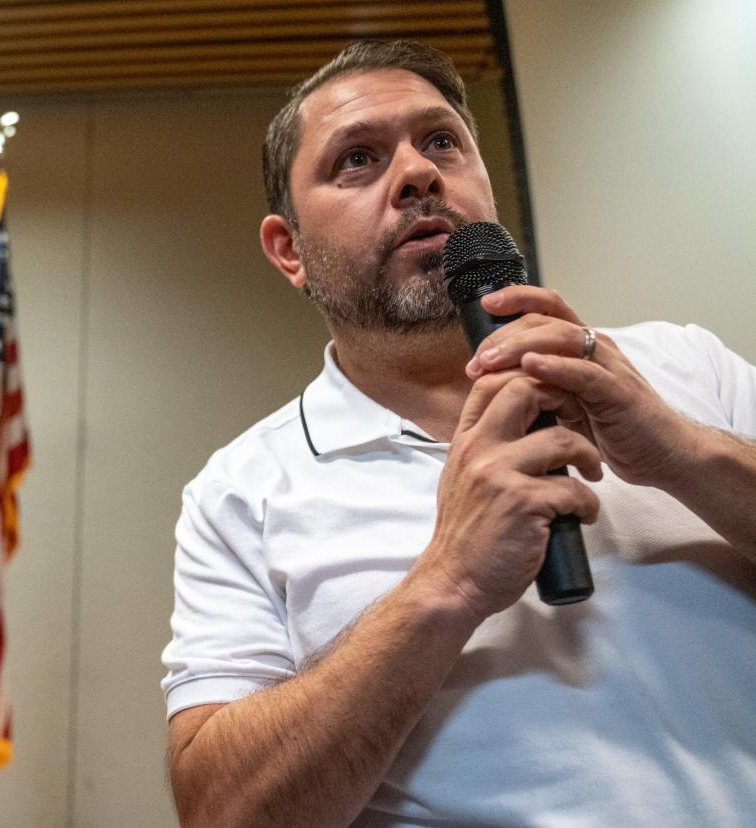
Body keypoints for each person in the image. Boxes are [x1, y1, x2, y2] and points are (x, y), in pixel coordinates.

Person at [161, 40, 756, 826]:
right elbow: (222, 812)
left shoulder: (684, 367)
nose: (417, 173)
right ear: (289, 251)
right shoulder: (239, 493)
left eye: (441, 141)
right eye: (358, 159)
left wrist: (683, 453)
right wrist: (447, 584)